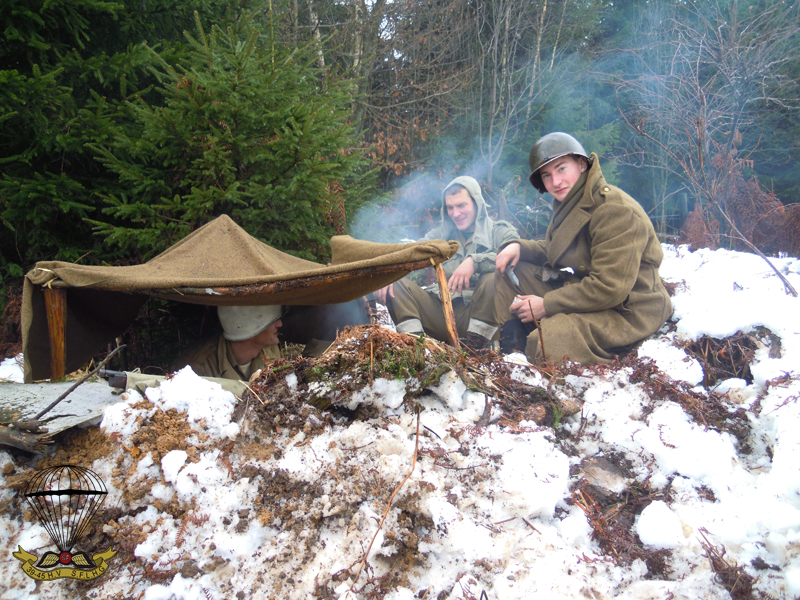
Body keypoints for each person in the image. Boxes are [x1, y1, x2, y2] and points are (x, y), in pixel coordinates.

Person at [495, 132, 672, 364]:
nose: (555, 182)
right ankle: (512, 345)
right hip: (587, 294)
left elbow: (609, 287)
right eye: (547, 176)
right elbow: (560, 248)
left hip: (627, 309)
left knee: (547, 343)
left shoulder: (614, 210)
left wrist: (546, 305)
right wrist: (519, 247)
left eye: (561, 169)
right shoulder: (572, 202)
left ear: (581, 164)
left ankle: (528, 347)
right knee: (510, 272)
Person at [374, 176, 519, 349]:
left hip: (479, 315)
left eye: (461, 205)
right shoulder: (441, 235)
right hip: (442, 312)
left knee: (491, 278)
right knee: (396, 284)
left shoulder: (499, 231)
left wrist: (474, 262)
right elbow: (411, 253)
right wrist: (387, 273)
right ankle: (416, 350)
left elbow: (512, 255)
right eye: (450, 207)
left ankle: (476, 352)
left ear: (477, 203)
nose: (455, 213)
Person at [172, 305, 283, 381]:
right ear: (249, 329)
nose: (280, 324)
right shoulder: (199, 368)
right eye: (272, 321)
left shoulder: (271, 350)